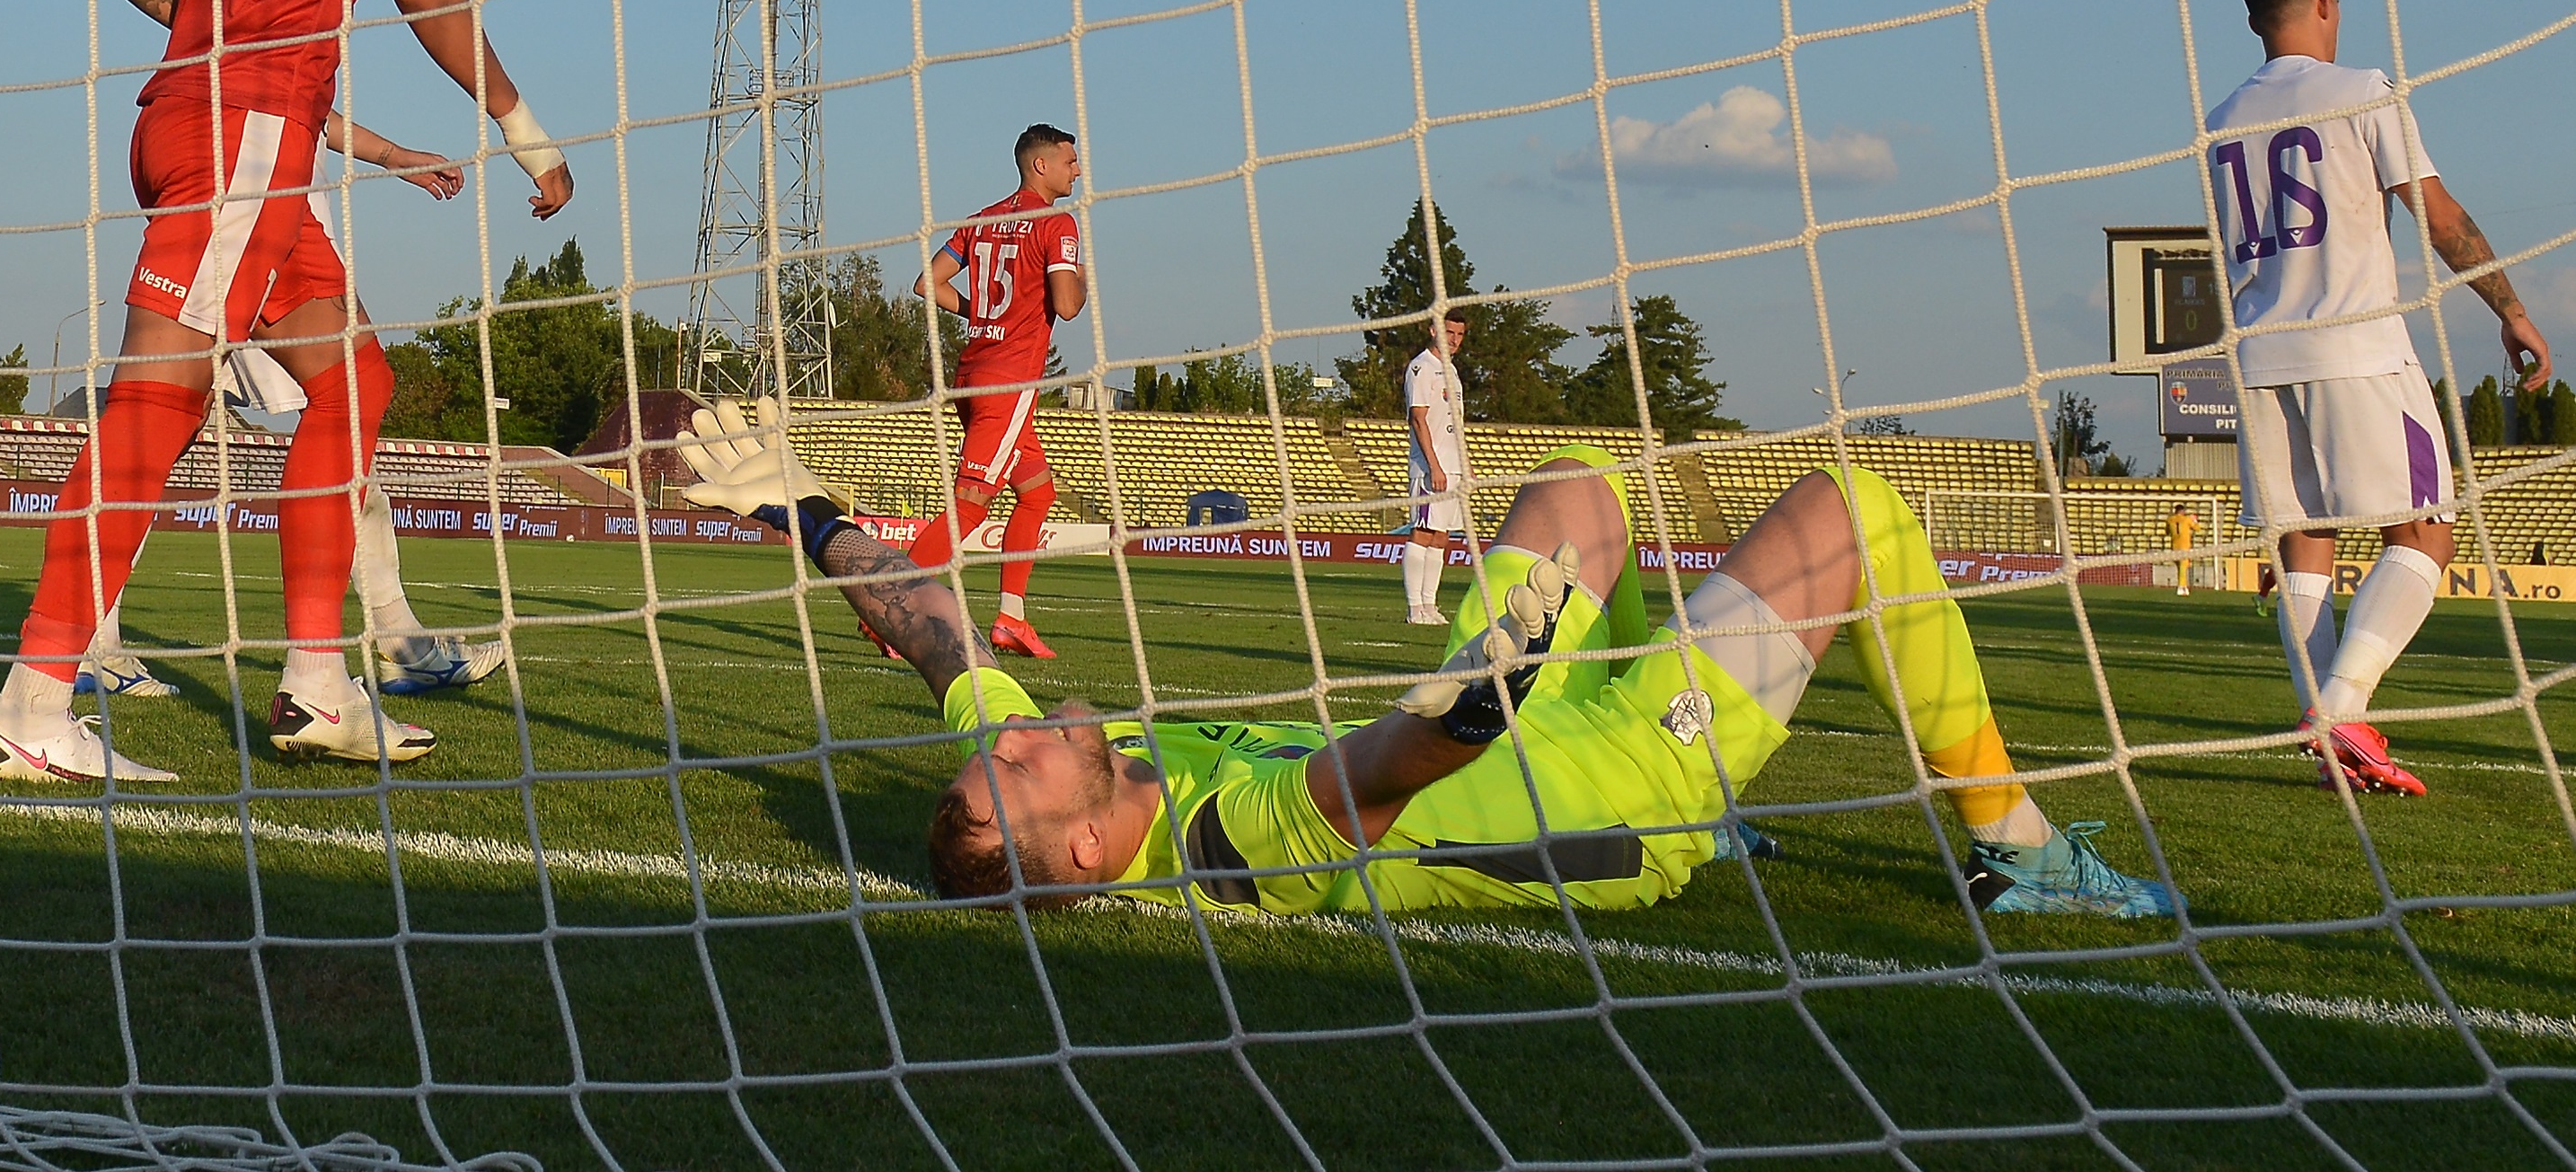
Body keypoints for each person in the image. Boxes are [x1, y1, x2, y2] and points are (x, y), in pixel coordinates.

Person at [675, 402, 2177, 921]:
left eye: (991, 749)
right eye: (1007, 771)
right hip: (1630, 778)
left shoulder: (1110, 772)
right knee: (1853, 510)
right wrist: (1486, 678)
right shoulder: (1226, 840)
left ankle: (1571, 664)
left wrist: (796, 513)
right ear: (1080, 840)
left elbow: (930, 629)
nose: (1002, 737)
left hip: (1540, 710)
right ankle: (2014, 850)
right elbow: (1398, 765)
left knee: (1579, 485)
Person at [0, 0, 572, 788]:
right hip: (237, 136)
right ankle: (38, 698)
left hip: (218, 126)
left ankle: (318, 683)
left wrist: (214, 48)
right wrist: (522, 123)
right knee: (156, 401)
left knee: (353, 375)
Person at [2207, 0, 2550, 797]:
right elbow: (2436, 216)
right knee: (2427, 532)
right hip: (2354, 347)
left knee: (2304, 544)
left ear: (2254, 21)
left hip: (2256, 355)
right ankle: (2340, 711)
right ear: (2325, 2)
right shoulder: (2361, 86)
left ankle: (2329, 734)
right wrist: (2507, 308)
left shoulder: (2219, 119)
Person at [69, 116, 510, 703]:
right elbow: (273, 77)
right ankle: (366, 659)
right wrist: (510, 118)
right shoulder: (254, 55)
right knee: (338, 415)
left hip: (243, 203)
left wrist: (390, 153)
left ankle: (88, 640)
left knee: (174, 427)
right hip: (258, 216)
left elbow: (301, 94)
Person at [905, 124, 1085, 660]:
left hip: (974, 374)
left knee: (1037, 493)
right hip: (1010, 380)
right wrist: (1077, 271)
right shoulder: (1055, 223)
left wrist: (982, 313)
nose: (1077, 170)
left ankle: (1011, 619)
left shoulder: (982, 221)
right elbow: (1069, 306)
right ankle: (891, 611)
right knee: (971, 504)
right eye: (1070, 162)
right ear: (1040, 166)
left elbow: (927, 284)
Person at [1401, 310, 1470, 626]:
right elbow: (1418, 417)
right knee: (1423, 531)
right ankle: (1415, 607)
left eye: (1458, 335)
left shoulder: (1452, 371)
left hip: (1453, 464)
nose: (1454, 340)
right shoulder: (1422, 367)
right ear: (1433, 331)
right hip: (1431, 465)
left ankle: (1430, 604)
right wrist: (1434, 466)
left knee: (1441, 536)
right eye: (1449, 333)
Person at [2165, 502, 2201, 597]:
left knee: (2180, 568)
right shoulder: (2187, 519)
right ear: (2182, 511)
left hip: (2174, 546)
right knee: (2183, 567)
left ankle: (2183, 586)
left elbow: (2167, 532)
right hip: (2184, 547)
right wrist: (2195, 520)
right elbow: (2197, 528)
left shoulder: (2170, 520)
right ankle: (2181, 587)